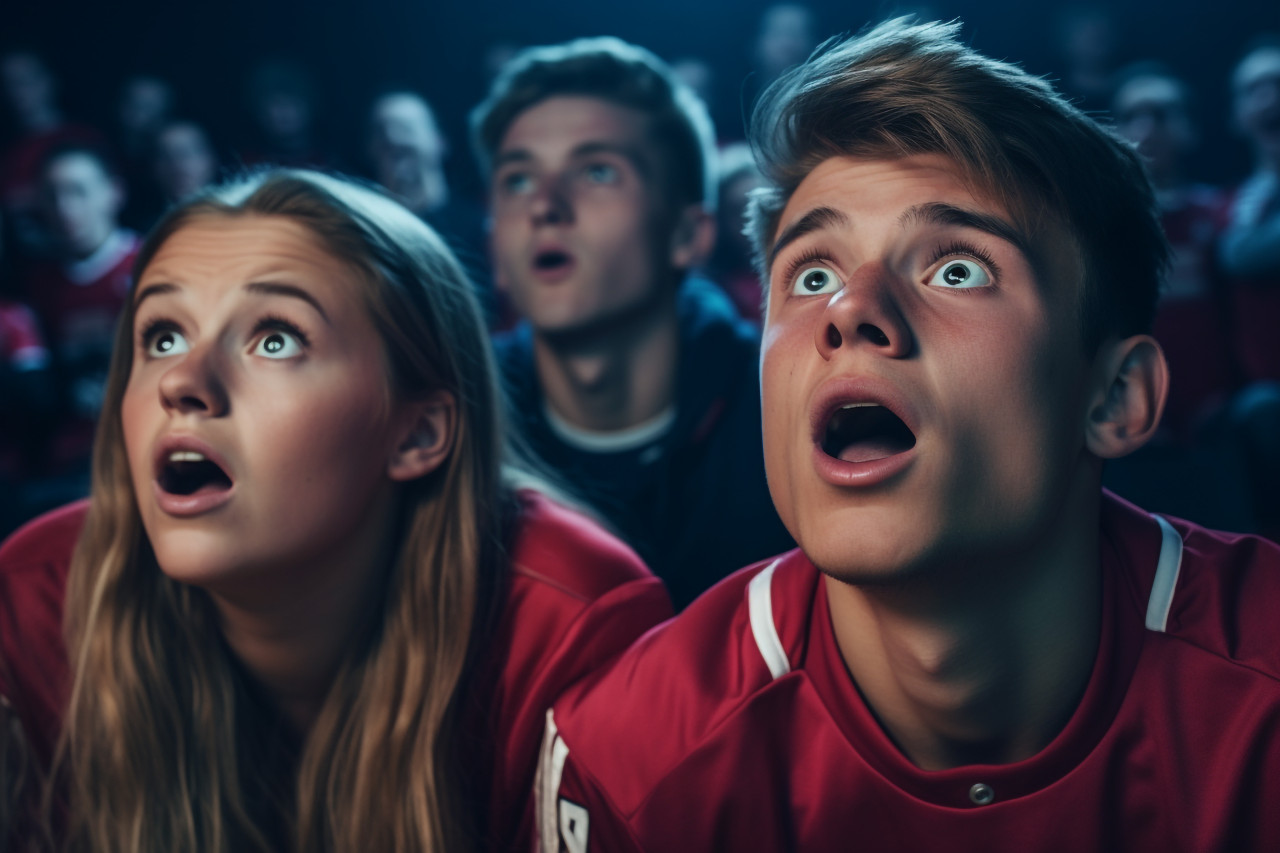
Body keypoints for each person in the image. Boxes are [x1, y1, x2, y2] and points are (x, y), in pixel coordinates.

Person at [534, 19, 1280, 852]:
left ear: (1114, 396)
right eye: (812, 274)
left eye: (957, 268)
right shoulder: (628, 756)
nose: (850, 307)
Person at [0, 169, 671, 851]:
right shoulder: (35, 598)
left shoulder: (570, 621)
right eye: (163, 336)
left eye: (275, 339)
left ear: (416, 434)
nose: (180, 381)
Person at [471, 37, 793, 608]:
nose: (543, 205)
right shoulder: (459, 430)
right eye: (517, 179)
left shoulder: (787, 415)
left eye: (596, 172)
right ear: (496, 248)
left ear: (688, 235)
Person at [22, 143, 139, 479]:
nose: (65, 207)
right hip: (73, 457)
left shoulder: (152, 265)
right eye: (53, 195)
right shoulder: (39, 286)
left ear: (113, 193)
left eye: (78, 191)